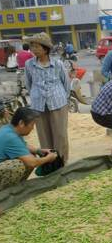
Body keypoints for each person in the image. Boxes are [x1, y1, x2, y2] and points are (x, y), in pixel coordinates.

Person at [24, 33, 70, 162]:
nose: (33, 49)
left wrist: (63, 99)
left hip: (58, 103)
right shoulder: (29, 64)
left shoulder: (57, 64)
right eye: (32, 46)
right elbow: (28, 83)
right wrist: (36, 95)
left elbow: (66, 83)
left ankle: (61, 162)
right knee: (44, 135)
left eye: (36, 46)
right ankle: (48, 163)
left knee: (60, 135)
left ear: (45, 48)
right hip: (38, 104)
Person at [0, 107, 58, 191]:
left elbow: (22, 146)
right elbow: (32, 163)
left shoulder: (8, 128)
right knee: (19, 165)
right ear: (21, 123)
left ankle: (16, 188)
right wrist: (48, 158)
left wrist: (39, 151)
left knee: (30, 155)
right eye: (32, 125)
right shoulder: (10, 137)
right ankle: (6, 193)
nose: (32, 128)